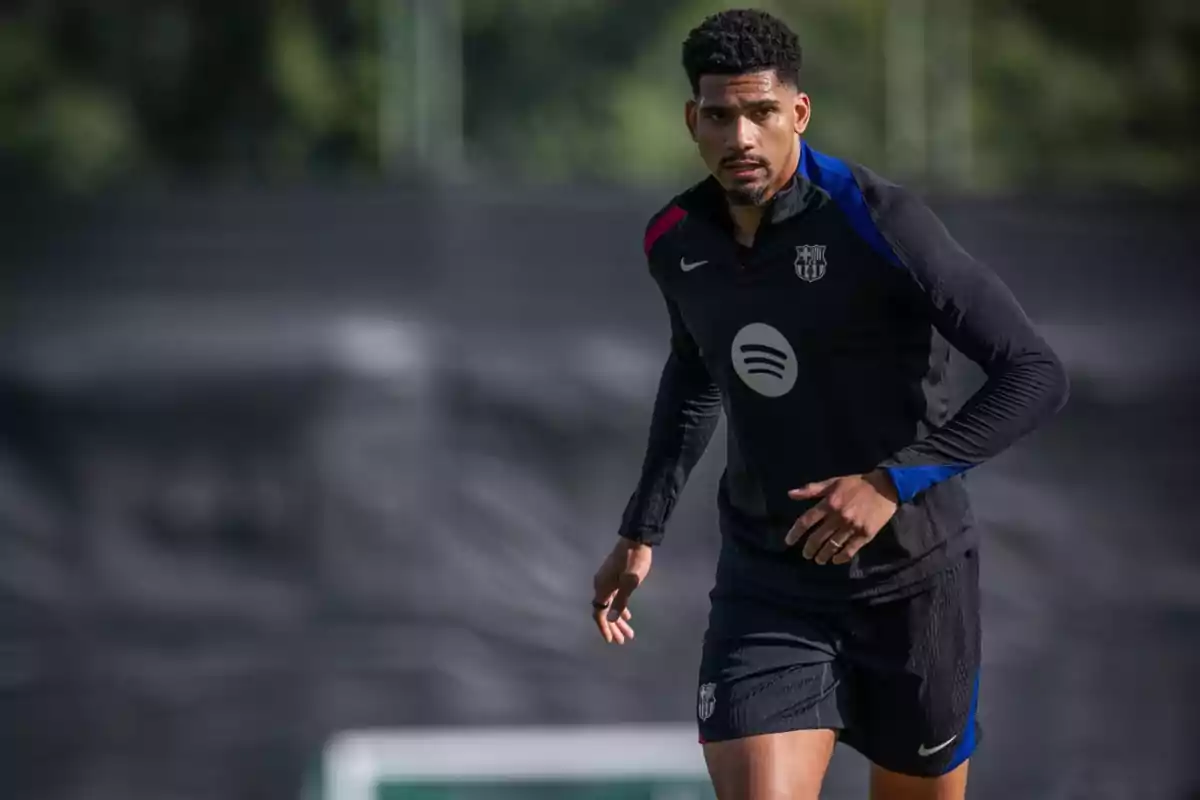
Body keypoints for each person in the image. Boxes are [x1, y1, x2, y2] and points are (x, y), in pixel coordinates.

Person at [589, 8, 1069, 800]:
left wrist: (890, 483)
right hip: (769, 583)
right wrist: (641, 530)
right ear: (692, 120)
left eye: (762, 113)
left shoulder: (880, 222)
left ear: (799, 113)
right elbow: (693, 372)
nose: (741, 136)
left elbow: (1034, 372)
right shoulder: (674, 240)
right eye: (720, 115)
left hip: (915, 582)